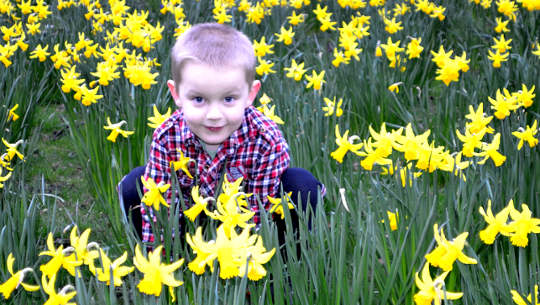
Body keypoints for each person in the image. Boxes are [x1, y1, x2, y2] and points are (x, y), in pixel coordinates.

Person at [118, 22, 324, 246]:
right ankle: (177, 257)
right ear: (176, 94)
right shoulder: (166, 137)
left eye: (228, 99)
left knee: (300, 185)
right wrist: (161, 263)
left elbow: (258, 212)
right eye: (199, 99)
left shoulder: (266, 139)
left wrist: (244, 266)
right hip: (192, 221)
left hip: (244, 218)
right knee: (135, 186)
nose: (214, 115)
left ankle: (285, 268)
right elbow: (160, 210)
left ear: (250, 94)